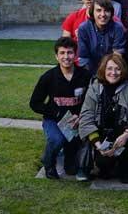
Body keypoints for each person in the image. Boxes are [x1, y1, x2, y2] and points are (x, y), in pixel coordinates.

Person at [29, 37, 93, 180]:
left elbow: (90, 101)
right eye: (62, 53)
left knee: (72, 165)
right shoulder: (48, 77)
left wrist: (80, 116)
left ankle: (69, 160)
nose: (66, 57)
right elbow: (35, 103)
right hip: (54, 120)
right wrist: (55, 112)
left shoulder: (85, 76)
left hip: (76, 120)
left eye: (70, 53)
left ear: (75, 55)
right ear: (56, 56)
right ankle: (49, 163)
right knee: (57, 140)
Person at [78, 53, 128, 184]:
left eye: (117, 68)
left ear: (123, 70)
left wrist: (126, 134)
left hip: (123, 135)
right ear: (103, 70)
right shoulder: (94, 88)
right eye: (109, 68)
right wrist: (98, 145)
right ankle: (104, 164)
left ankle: (125, 167)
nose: (113, 72)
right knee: (104, 166)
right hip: (102, 136)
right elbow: (86, 118)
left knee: (126, 174)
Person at [77, 0, 126, 72]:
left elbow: (117, 56)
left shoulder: (118, 28)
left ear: (111, 13)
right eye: (98, 10)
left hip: (111, 71)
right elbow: (83, 57)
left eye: (106, 11)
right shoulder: (84, 28)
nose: (103, 14)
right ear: (92, 12)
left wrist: (106, 74)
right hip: (89, 70)